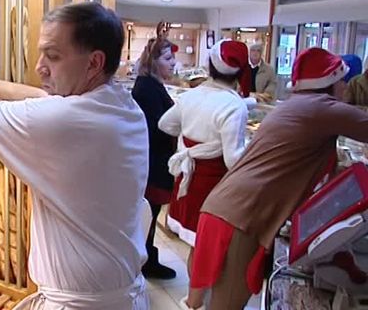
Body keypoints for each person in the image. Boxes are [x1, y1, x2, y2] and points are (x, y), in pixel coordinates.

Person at [0, 1, 150, 310]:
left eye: (53, 56)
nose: (40, 67)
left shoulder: (66, 122)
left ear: (93, 63)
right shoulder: (121, 106)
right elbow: (41, 97)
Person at [181, 48, 368, 310]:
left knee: (217, 299)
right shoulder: (323, 108)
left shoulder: (297, 105)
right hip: (240, 217)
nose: (345, 87)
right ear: (332, 82)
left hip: (224, 208)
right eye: (342, 81)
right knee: (226, 304)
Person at [158, 39, 251, 278]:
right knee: (210, 250)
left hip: (188, 181)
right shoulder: (234, 106)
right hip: (212, 188)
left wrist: (188, 142)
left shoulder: (192, 95)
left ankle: (194, 296)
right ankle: (199, 299)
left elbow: (165, 123)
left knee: (197, 247)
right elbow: (233, 160)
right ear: (241, 71)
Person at [131, 37, 179, 280]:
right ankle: (147, 262)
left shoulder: (150, 84)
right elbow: (156, 129)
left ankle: (148, 258)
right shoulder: (147, 88)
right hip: (152, 165)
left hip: (154, 163)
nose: (173, 64)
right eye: (168, 58)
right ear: (153, 61)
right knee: (149, 213)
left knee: (151, 213)